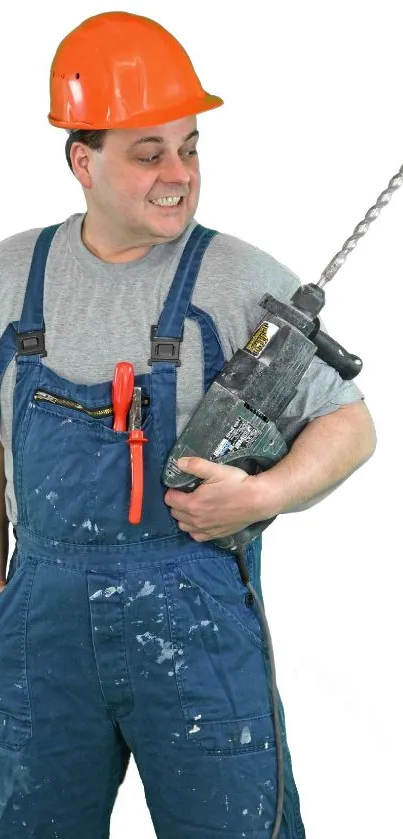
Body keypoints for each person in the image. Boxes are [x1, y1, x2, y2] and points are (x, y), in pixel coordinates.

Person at [0, 10, 376, 839]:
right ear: (81, 159)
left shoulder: (236, 278)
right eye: (148, 153)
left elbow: (347, 422)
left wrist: (263, 492)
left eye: (190, 147)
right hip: (41, 631)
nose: (178, 173)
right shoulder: (12, 273)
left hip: (195, 627)